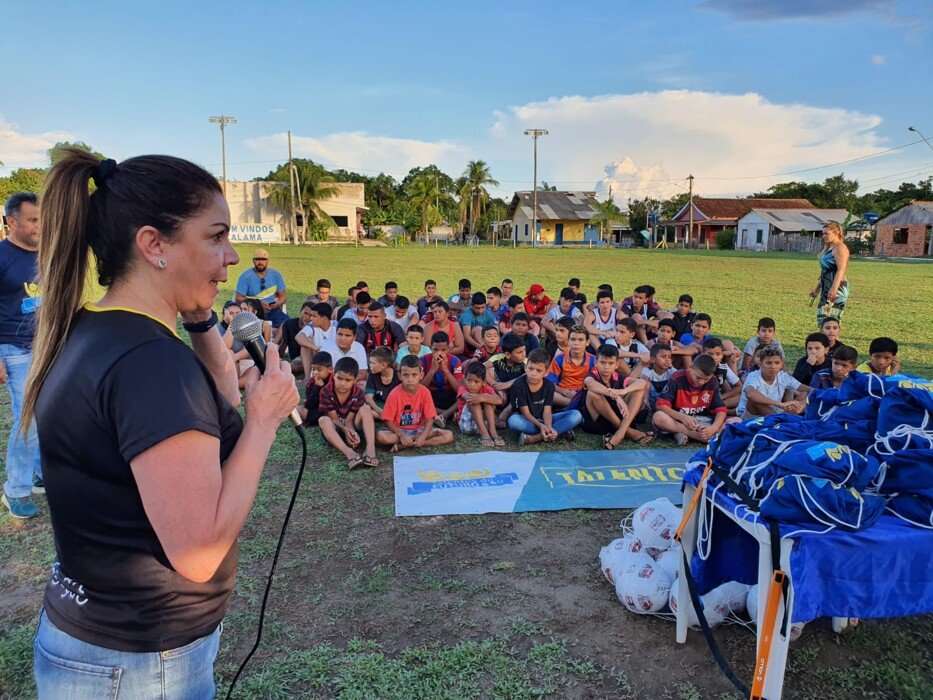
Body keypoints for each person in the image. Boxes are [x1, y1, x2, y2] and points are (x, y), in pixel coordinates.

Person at [25, 151, 299, 696]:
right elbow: (198, 555)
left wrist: (198, 316)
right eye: (216, 236)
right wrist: (265, 421)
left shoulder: (94, 329)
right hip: (139, 662)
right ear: (154, 245)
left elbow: (217, 400)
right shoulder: (151, 366)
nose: (233, 254)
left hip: (96, 639)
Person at [1, 192, 43, 518]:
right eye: (32, 220)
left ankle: (41, 473)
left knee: (50, 413)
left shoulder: (46, 254)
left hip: (46, 346)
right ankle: (15, 490)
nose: (39, 226)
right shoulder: (2, 256)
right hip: (14, 349)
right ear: (12, 222)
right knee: (27, 420)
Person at [579, 344, 652, 448]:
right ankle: (628, 431)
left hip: (617, 417)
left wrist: (623, 391)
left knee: (638, 390)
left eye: (611, 363)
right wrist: (617, 397)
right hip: (597, 422)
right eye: (602, 362)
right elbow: (590, 384)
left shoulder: (617, 376)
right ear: (596, 362)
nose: (606, 367)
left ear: (617, 364)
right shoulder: (591, 375)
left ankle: (620, 433)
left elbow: (642, 383)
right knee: (593, 393)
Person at [377, 355, 454, 452]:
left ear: (421, 375)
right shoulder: (394, 394)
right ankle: (415, 440)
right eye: (406, 375)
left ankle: (407, 445)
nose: (410, 379)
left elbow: (430, 418)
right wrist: (401, 435)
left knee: (448, 435)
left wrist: (424, 435)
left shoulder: (425, 392)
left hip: (419, 429)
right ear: (400, 376)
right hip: (400, 430)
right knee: (381, 436)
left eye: (414, 375)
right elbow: (388, 420)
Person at [507, 349, 583, 445]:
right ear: (526, 368)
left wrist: (548, 426)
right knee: (514, 422)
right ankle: (559, 432)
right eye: (531, 369)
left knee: (576, 415)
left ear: (546, 372)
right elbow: (525, 413)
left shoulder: (549, 386)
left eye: (539, 370)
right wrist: (541, 426)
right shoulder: (518, 385)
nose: (533, 373)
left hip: (544, 418)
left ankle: (536, 437)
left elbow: (547, 411)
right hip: (526, 419)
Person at [317, 357, 379, 469]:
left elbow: (349, 420)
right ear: (333, 375)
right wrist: (345, 430)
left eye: (348, 380)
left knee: (365, 408)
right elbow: (334, 419)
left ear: (355, 380)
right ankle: (349, 453)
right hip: (334, 429)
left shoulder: (358, 393)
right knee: (323, 420)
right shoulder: (326, 391)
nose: (342, 383)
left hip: (352, 426)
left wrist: (351, 433)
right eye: (339, 378)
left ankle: (370, 448)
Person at [653, 354, 727, 446]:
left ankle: (678, 432)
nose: (701, 382)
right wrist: (682, 417)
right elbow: (661, 405)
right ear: (691, 368)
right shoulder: (677, 378)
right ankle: (691, 434)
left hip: (702, 421)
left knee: (734, 421)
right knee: (658, 417)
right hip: (678, 419)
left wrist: (713, 428)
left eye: (705, 379)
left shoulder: (713, 381)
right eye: (698, 377)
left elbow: (721, 410)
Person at [737, 346, 809, 419]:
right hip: (752, 416)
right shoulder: (753, 376)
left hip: (775, 413)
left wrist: (817, 392)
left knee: (806, 394)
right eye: (768, 363)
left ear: (781, 364)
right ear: (760, 364)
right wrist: (781, 405)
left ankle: (782, 418)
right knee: (755, 401)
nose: (773, 367)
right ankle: (781, 419)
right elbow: (750, 394)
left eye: (777, 363)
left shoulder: (782, 376)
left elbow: (803, 388)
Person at [234, 247, 288, 328]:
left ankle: (275, 338)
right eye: (257, 259)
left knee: (287, 323)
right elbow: (238, 298)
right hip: (253, 311)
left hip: (272, 310)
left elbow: (283, 296)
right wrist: (257, 304)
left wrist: (277, 304)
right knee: (254, 327)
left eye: (263, 259)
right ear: (253, 261)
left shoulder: (276, 275)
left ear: (267, 261)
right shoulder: (245, 276)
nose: (260, 262)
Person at [811, 221, 850, 325]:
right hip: (827, 284)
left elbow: (841, 270)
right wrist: (817, 289)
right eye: (823, 234)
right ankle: (824, 341)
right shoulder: (829, 247)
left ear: (836, 233)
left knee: (830, 322)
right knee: (823, 320)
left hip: (836, 286)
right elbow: (825, 271)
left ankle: (832, 341)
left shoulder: (840, 248)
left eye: (826, 233)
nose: (823, 236)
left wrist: (834, 289)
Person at [456, 362, 505, 447]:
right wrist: (481, 397)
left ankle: (493, 432)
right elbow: (469, 397)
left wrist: (483, 397)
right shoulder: (462, 388)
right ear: (465, 379)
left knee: (487, 400)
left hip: (486, 424)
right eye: (469, 380)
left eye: (476, 381)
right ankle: (484, 435)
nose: (472, 385)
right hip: (467, 425)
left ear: (483, 382)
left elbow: (499, 400)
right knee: (472, 400)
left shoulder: (486, 388)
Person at [546, 325, 595, 407]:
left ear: (587, 342)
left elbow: (596, 383)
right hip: (562, 395)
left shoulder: (593, 360)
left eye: (581, 340)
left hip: (583, 394)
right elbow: (549, 383)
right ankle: (575, 405)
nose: (576, 343)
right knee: (548, 393)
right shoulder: (559, 359)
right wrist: (564, 391)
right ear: (568, 341)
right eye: (573, 339)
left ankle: (575, 405)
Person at [420, 331, 464, 425]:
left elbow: (458, 389)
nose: (439, 353)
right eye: (435, 350)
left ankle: (442, 415)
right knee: (417, 398)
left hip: (449, 395)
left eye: (443, 350)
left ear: (448, 349)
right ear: (430, 348)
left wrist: (445, 369)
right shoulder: (422, 360)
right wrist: (432, 370)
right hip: (430, 396)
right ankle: (444, 414)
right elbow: (420, 388)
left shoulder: (455, 361)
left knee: (464, 396)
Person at [296, 302, 337, 378]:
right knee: (305, 344)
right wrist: (316, 347)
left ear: (324, 318)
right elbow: (299, 337)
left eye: (314, 316)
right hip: (318, 358)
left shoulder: (336, 326)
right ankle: (308, 377)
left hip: (334, 358)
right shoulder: (312, 326)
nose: (311, 318)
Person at [702, 337, 743, 412]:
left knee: (740, 397)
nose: (714, 357)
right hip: (701, 398)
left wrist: (721, 397)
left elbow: (739, 387)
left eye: (718, 354)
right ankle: (714, 409)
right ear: (702, 354)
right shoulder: (699, 367)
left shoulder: (723, 367)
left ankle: (716, 407)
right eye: (710, 354)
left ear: (722, 355)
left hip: (716, 398)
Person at [631, 343, 676, 411]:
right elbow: (644, 380)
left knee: (675, 382)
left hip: (665, 404)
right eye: (663, 356)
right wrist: (646, 400)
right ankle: (645, 406)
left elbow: (679, 377)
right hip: (650, 402)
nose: (667, 360)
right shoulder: (647, 371)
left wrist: (671, 367)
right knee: (646, 383)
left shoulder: (670, 371)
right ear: (653, 359)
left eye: (669, 357)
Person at [277, 300, 314, 373]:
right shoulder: (289, 324)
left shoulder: (315, 326)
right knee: (293, 366)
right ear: (301, 312)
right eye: (305, 313)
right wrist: (279, 359)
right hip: (297, 358)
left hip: (311, 356)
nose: (307, 317)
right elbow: (284, 343)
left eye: (311, 315)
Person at [364, 346, 400, 421]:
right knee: (364, 410)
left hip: (394, 407)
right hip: (378, 406)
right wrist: (380, 411)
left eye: (373, 363)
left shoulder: (398, 377)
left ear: (383, 365)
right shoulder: (372, 375)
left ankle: (390, 418)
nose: (369, 365)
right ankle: (390, 419)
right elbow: (368, 398)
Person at [298, 351, 332, 426]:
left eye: (319, 370)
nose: (315, 372)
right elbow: (309, 405)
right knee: (298, 409)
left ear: (330, 369)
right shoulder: (311, 383)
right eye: (313, 369)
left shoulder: (335, 380)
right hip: (318, 412)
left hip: (333, 412)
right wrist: (317, 388)